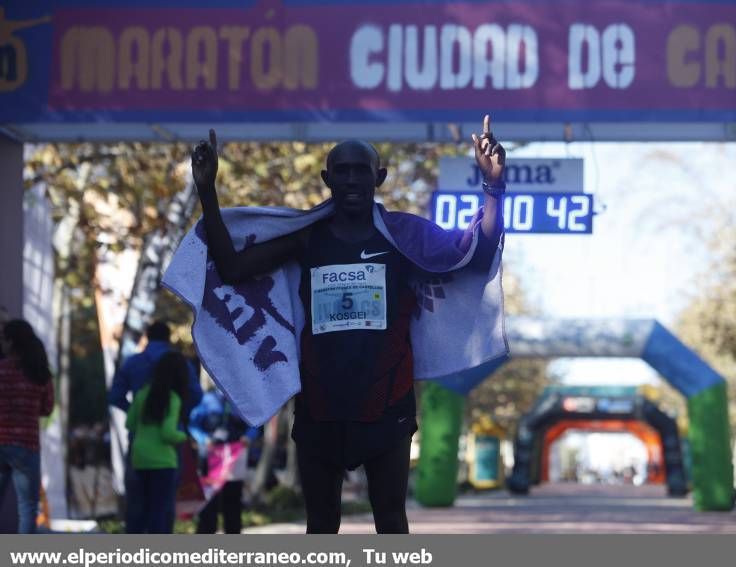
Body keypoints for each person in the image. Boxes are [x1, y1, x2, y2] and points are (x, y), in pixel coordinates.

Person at [189, 116, 506, 533]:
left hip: (387, 404)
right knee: (321, 525)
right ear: (327, 178)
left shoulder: (402, 236)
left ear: (380, 176)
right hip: (321, 407)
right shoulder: (308, 238)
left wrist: (494, 189)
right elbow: (231, 267)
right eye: (343, 170)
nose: (352, 179)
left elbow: (476, 255)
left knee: (391, 520)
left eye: (362, 170)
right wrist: (207, 192)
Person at [108, 320, 201, 531]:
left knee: (136, 505)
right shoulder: (179, 364)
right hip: (167, 452)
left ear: (147, 337)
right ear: (168, 338)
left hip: (139, 447)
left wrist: (142, 414)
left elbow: (115, 397)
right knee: (163, 506)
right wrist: (176, 415)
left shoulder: (133, 364)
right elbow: (196, 395)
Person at [124, 351, 190, 533]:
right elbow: (168, 434)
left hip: (140, 458)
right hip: (163, 462)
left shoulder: (142, 394)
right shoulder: (173, 399)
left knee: (140, 511)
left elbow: (129, 423)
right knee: (159, 512)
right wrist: (184, 437)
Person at [0, 319, 54, 533]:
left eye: (4, 339)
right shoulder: (39, 372)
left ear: (12, 342)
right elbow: (47, 408)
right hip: (26, 445)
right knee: (28, 508)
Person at [189, 387, 259, 534]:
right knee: (209, 500)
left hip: (234, 458)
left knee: (233, 501)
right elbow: (193, 425)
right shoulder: (207, 400)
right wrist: (203, 439)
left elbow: (256, 423)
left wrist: (249, 436)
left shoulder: (242, 400)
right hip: (211, 458)